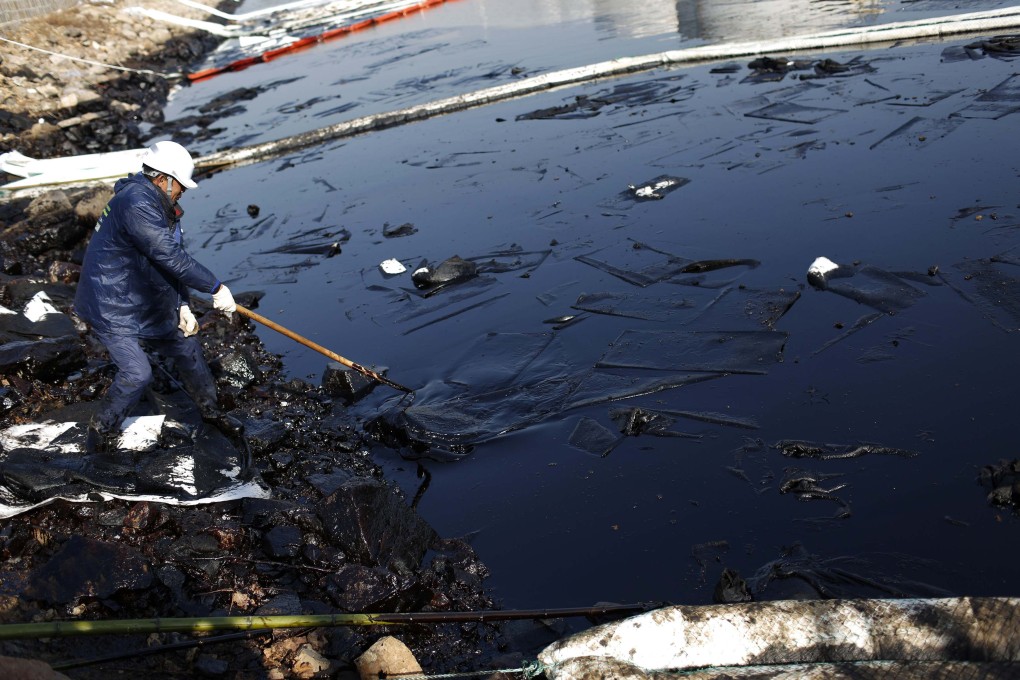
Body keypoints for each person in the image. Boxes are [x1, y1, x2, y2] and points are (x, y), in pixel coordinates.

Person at [74, 140, 239, 453]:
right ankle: (99, 432)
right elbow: (167, 256)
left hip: (142, 296)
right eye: (181, 187)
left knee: (186, 345)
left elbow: (169, 259)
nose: (182, 193)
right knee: (138, 373)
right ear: (165, 178)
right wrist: (216, 287)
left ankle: (211, 411)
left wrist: (184, 305)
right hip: (111, 303)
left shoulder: (157, 203)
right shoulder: (136, 202)